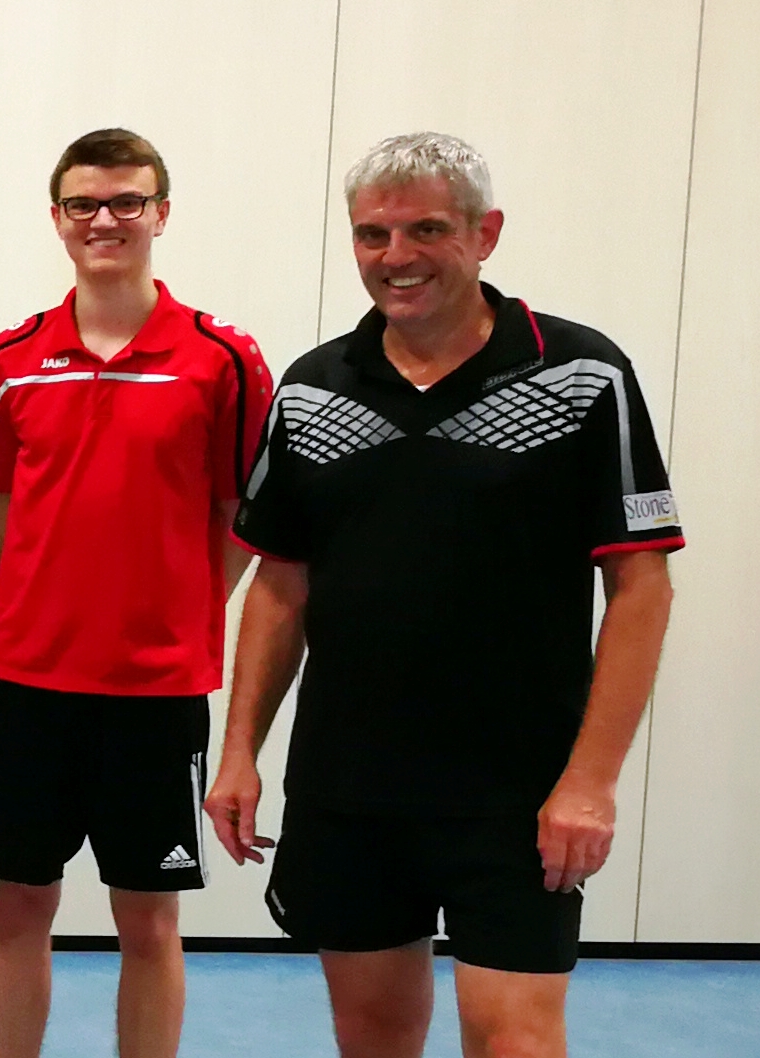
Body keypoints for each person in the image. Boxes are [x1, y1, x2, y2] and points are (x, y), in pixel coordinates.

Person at [212, 132, 680, 1058]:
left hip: (518, 792)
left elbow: (641, 587)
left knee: (515, 1039)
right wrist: (239, 752)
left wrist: (590, 783)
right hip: (350, 786)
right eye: (373, 234)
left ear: (484, 233)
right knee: (373, 1036)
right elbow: (280, 586)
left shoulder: (582, 374)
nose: (397, 257)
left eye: (427, 229)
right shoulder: (312, 388)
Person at [0, 128, 273, 1058]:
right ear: (57, 219)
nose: (105, 220)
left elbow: (241, 516)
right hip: (24, 684)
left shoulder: (223, 358)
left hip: (155, 690)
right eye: (84, 204)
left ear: (160, 214)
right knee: (20, 907)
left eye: (127, 201)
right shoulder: (8, 358)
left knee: (149, 920)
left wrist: (178, 608)